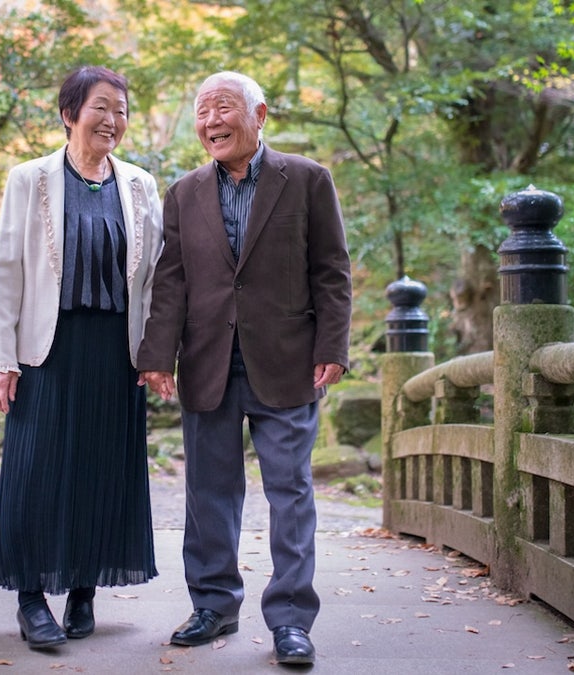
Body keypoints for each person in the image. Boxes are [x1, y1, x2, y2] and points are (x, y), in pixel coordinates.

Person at [137, 71, 352, 666]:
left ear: (260, 114)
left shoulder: (306, 179)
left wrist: (333, 345)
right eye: (203, 112)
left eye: (223, 108)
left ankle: (289, 620)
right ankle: (213, 605)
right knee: (208, 494)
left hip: (288, 363)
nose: (211, 122)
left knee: (290, 493)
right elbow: (171, 282)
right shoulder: (183, 194)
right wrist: (157, 356)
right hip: (208, 362)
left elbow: (331, 271)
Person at [0, 65, 162, 650]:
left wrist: (158, 353)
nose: (112, 120)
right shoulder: (29, 179)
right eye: (101, 107)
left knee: (102, 469)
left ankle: (84, 587)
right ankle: (32, 597)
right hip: (47, 351)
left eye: (121, 109)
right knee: (36, 472)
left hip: (116, 353)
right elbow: (5, 273)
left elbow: (157, 278)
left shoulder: (139, 185)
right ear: (69, 113)